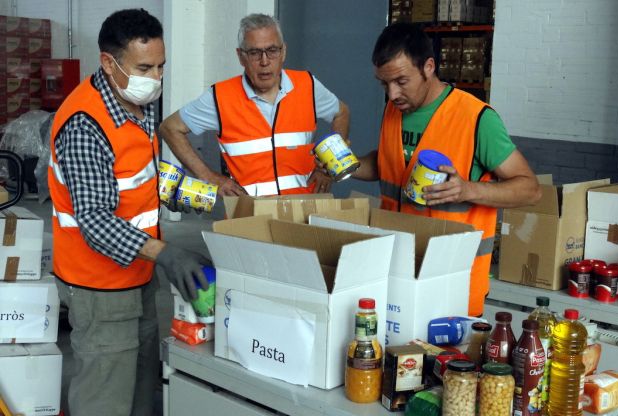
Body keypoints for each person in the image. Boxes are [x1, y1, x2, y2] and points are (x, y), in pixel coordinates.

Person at [47, 9, 209, 416]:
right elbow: (96, 221)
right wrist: (167, 254)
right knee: (105, 397)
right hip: (98, 288)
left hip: (137, 276)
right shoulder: (85, 125)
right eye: (145, 67)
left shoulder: (137, 101)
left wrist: (205, 196)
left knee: (140, 391)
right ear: (108, 62)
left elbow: (139, 175)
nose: (155, 78)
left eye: (161, 66)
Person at [352, 23, 542, 317]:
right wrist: (345, 166)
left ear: (429, 67)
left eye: (401, 81)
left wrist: (467, 189)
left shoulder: (476, 118)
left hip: (453, 283)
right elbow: (387, 164)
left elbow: (530, 189)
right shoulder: (394, 110)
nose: (392, 94)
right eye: (384, 84)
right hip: (397, 275)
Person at [160, 13, 350, 197]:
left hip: (301, 211)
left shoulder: (307, 85)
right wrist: (209, 177)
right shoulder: (220, 97)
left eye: (272, 50)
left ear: (283, 52)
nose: (265, 61)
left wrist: (331, 165)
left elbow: (341, 112)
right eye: (254, 53)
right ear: (241, 57)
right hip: (248, 216)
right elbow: (170, 128)